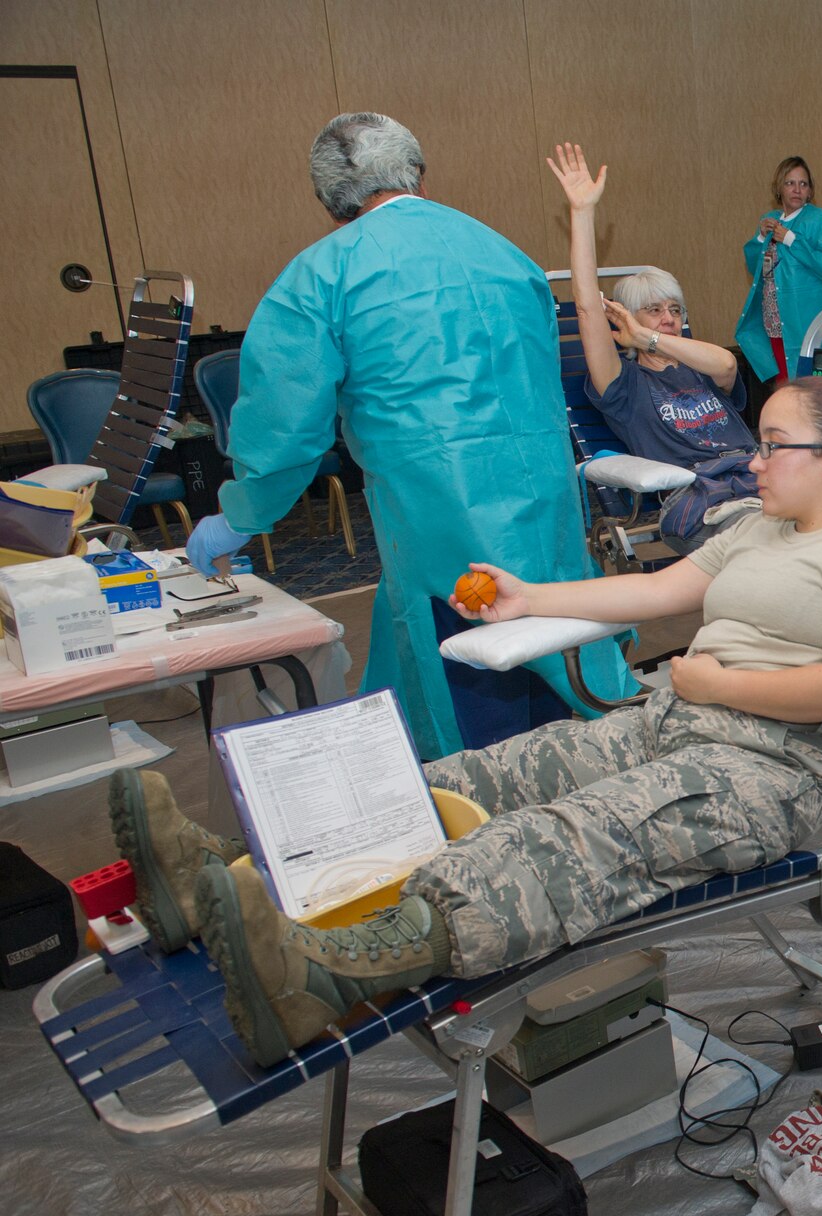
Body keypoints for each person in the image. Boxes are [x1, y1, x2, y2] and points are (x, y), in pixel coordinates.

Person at [115, 377, 822, 1067]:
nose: (751, 460)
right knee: (463, 780)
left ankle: (320, 981)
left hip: (769, 771)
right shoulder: (759, 527)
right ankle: (224, 871)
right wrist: (528, 596)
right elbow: (653, 594)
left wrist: (719, 683)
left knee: (562, 835)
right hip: (672, 720)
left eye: (772, 444)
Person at [182, 113, 628, 760]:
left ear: (333, 202)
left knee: (470, 702)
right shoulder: (506, 254)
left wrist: (240, 516)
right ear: (418, 173)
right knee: (561, 669)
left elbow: (284, 429)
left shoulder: (321, 277)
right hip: (546, 504)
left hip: (438, 525)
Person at [547, 143, 758, 541]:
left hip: (761, 480)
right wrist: (582, 212)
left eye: (676, 310)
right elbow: (588, 308)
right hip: (705, 501)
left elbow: (729, 366)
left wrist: (650, 337)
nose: (669, 319)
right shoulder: (624, 385)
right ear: (625, 319)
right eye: (654, 310)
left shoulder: (701, 365)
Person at [733, 157, 822, 389]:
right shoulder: (769, 219)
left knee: (813, 387)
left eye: (803, 184)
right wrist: (761, 238)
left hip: (806, 320)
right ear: (779, 188)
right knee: (785, 384)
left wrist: (791, 240)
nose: (797, 189)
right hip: (775, 318)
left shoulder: (819, 220)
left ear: (810, 190)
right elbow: (755, 269)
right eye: (790, 183)